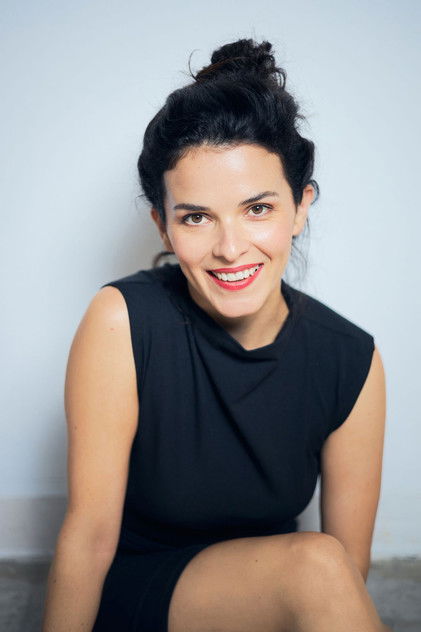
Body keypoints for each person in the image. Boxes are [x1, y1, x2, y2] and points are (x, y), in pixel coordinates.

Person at [42, 38, 393, 632]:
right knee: (316, 566)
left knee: (325, 566)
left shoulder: (350, 358)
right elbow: (90, 534)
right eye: (197, 217)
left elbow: (348, 571)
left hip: (268, 597)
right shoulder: (121, 320)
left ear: (300, 207)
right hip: (141, 587)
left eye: (258, 209)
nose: (230, 248)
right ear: (163, 225)